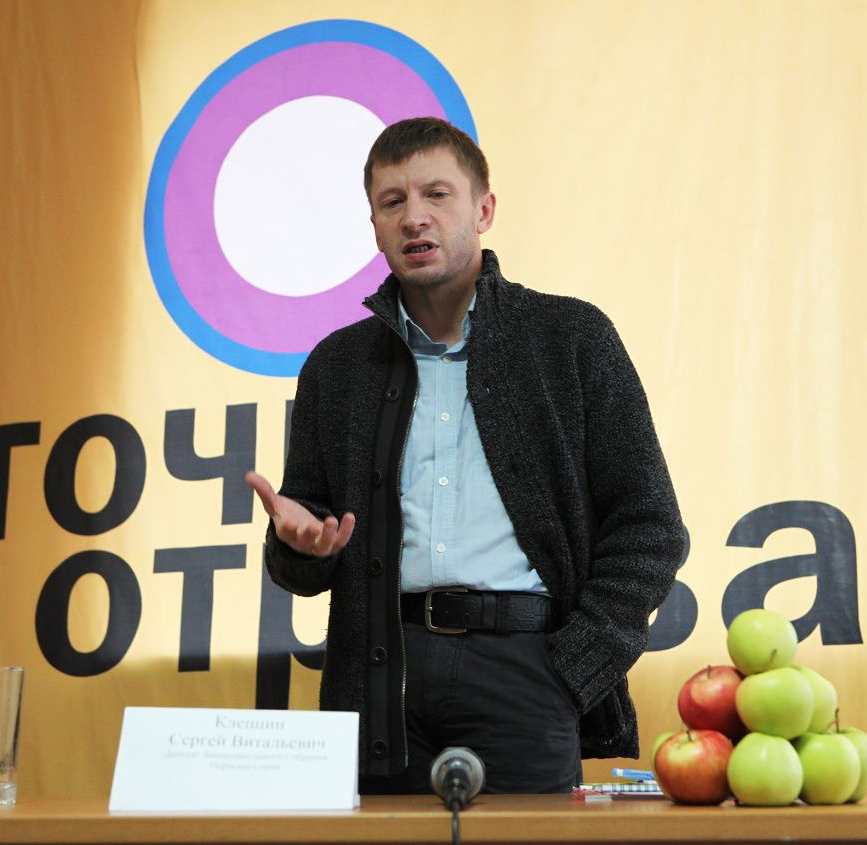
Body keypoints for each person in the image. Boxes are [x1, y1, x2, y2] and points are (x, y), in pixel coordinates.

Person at [246, 117, 686, 795]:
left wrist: (574, 668)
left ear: (484, 211)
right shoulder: (337, 367)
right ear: (375, 227)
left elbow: (650, 526)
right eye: (392, 202)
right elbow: (303, 553)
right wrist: (301, 547)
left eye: (436, 194)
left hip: (529, 670)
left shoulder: (571, 337)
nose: (414, 217)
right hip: (379, 677)